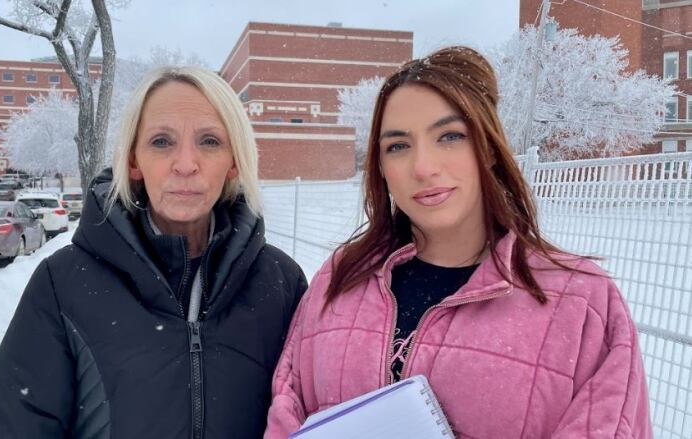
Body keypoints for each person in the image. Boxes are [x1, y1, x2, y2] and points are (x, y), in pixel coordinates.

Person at [265, 47, 652, 439]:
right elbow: (288, 407)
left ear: (489, 147)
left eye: (450, 136)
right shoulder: (340, 278)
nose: (423, 167)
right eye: (398, 145)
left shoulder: (581, 301)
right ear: (380, 168)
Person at [0, 66, 307, 439]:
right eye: (161, 141)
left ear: (234, 161)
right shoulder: (64, 283)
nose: (185, 164)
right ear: (133, 161)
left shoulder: (281, 282)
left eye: (210, 141)